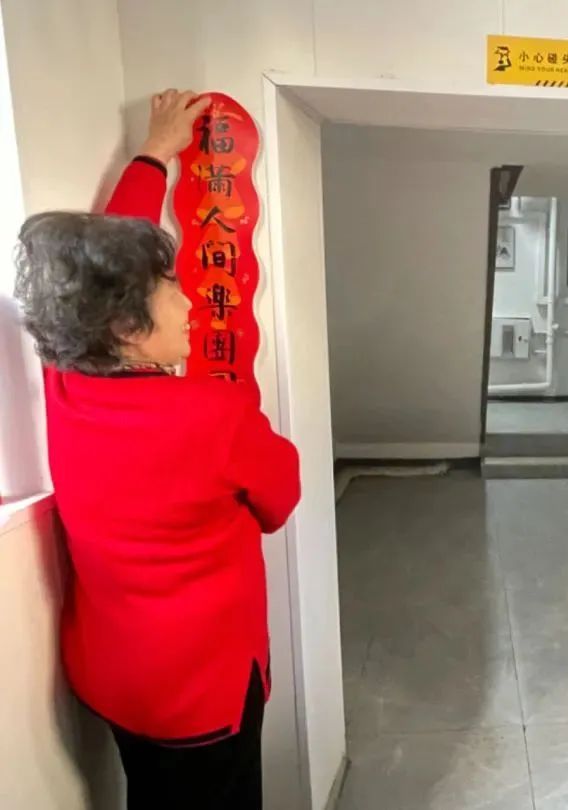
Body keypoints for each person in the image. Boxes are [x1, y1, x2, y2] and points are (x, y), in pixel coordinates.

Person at [14, 90, 301, 810]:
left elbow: (106, 265)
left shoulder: (67, 381)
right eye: (172, 288)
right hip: (203, 692)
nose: (192, 301)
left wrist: (152, 155)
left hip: (117, 680)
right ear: (126, 328)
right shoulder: (214, 415)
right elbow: (281, 498)